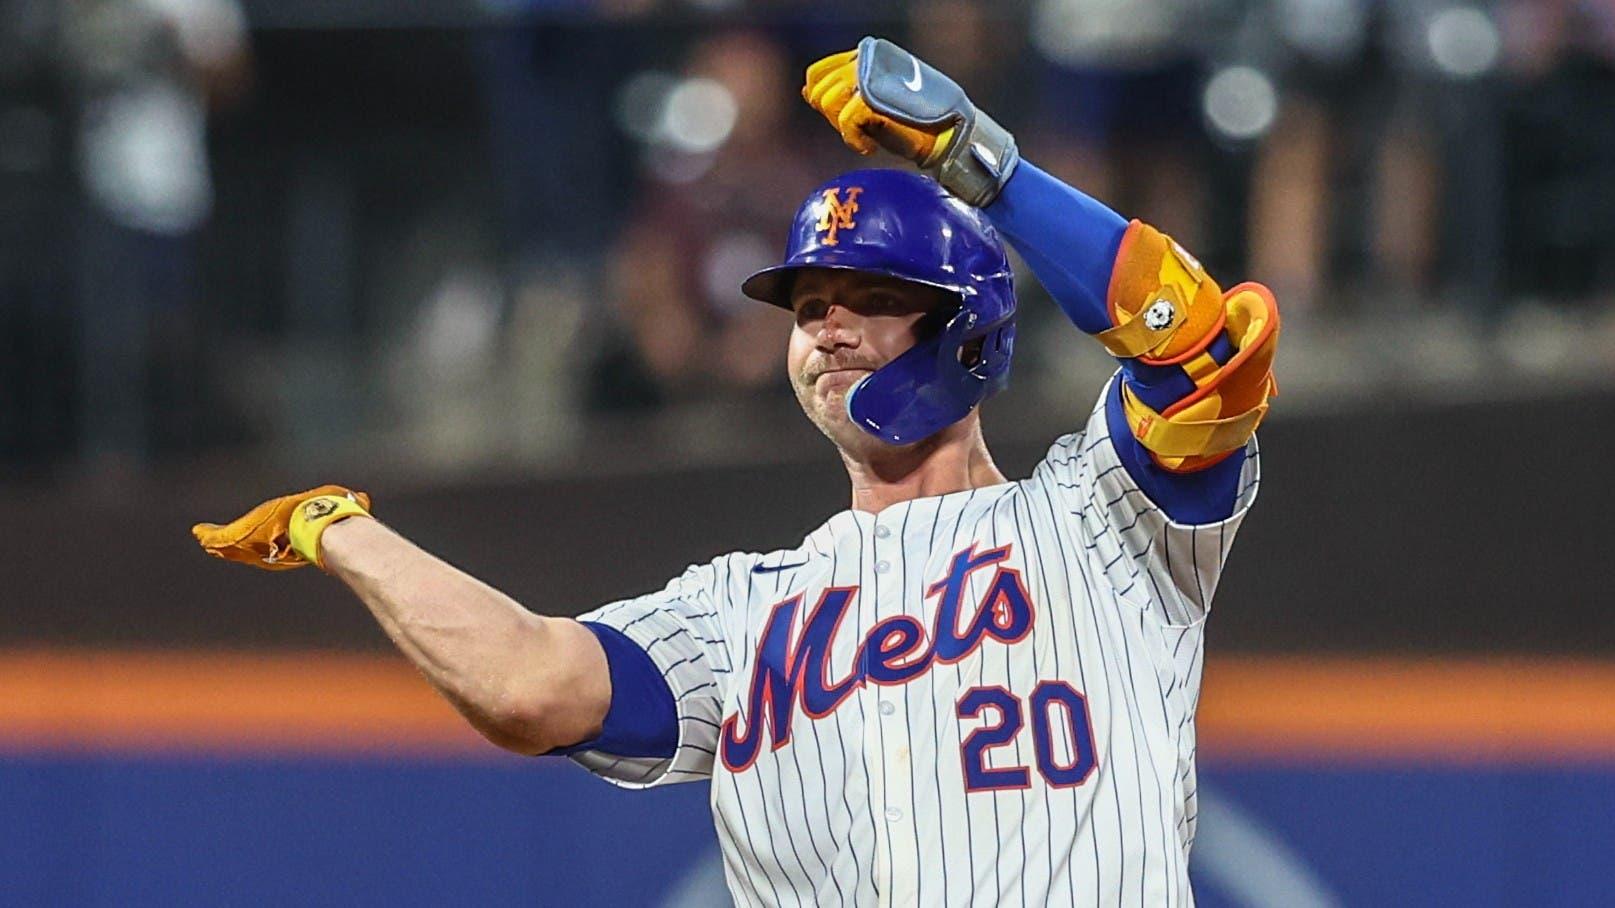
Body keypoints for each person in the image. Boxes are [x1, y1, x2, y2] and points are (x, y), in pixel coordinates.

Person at [193, 37, 1278, 905]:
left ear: (968, 327)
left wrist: (976, 163)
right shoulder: (739, 612)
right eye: (807, 309)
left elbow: (1200, 350)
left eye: (868, 298)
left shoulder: (1099, 519)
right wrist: (340, 528)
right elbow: (529, 684)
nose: (828, 330)